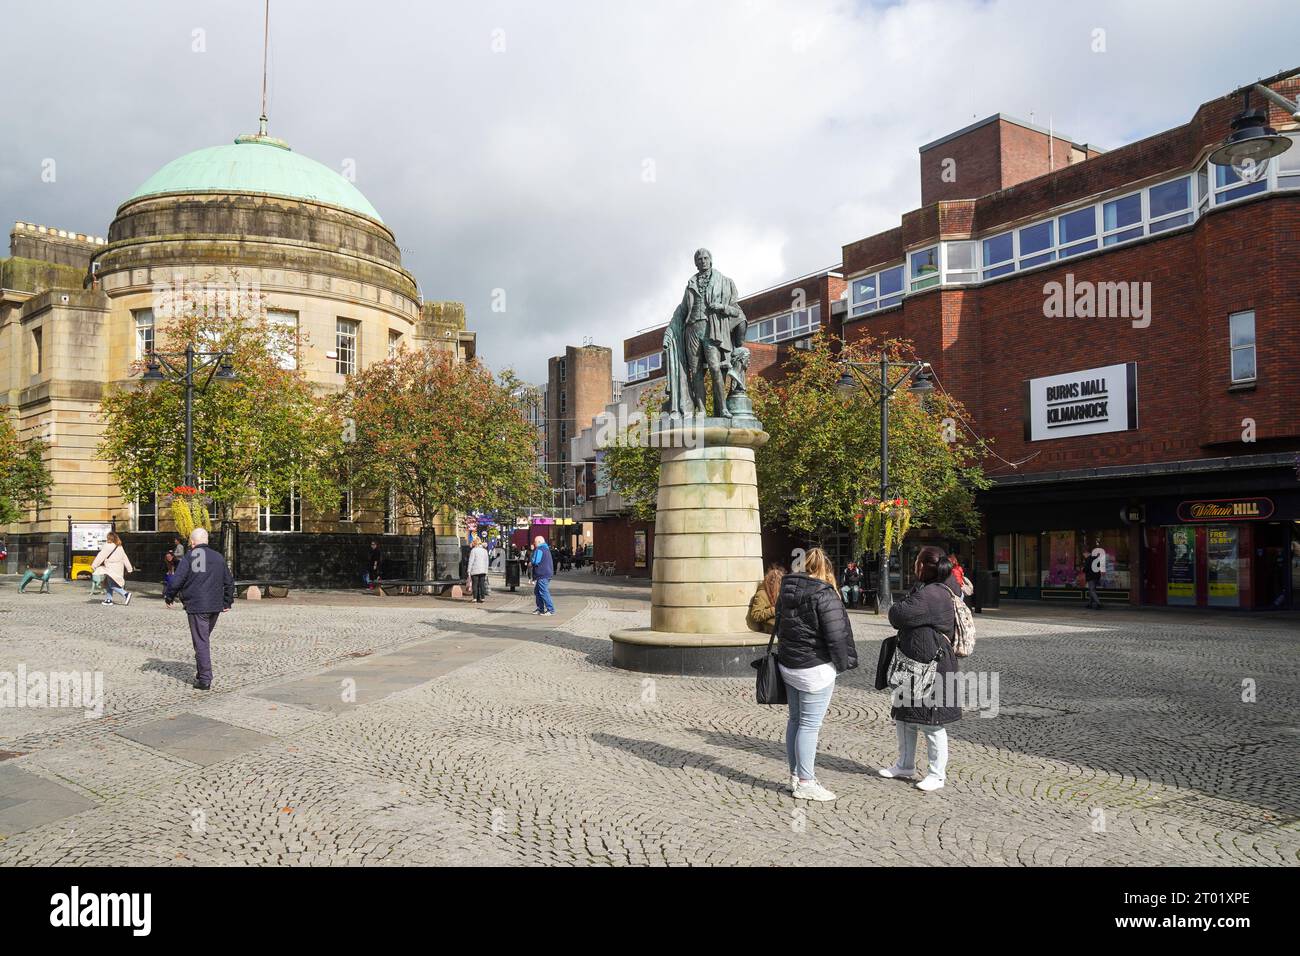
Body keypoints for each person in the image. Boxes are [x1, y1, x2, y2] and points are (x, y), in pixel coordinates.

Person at [774, 547, 857, 802]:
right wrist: (844, 664)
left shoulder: (785, 591)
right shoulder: (825, 595)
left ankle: (796, 776)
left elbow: (779, 626)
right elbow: (837, 636)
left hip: (789, 665)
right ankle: (806, 782)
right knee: (809, 725)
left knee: (796, 721)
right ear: (825, 568)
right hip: (815, 668)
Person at [881, 545, 962, 792]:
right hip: (913, 663)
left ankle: (937, 775)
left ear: (924, 566)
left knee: (931, 721)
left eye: (917, 562)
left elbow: (896, 615)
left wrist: (907, 599)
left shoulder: (932, 594)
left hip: (932, 666)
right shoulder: (930, 589)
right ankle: (905, 764)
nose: (914, 566)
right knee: (905, 717)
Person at [164, 527, 235, 691]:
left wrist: (169, 596)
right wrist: (227, 602)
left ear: (193, 542)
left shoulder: (193, 556)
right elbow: (229, 581)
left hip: (197, 606)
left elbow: (177, 580)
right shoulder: (218, 557)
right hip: (215, 606)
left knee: (201, 642)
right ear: (207, 541)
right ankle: (201, 672)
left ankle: (204, 679)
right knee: (202, 639)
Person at [91, 531, 134, 606]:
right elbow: (125, 558)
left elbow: (100, 556)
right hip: (119, 568)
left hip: (111, 568)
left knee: (112, 585)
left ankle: (126, 594)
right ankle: (109, 599)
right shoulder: (119, 546)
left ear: (109, 538)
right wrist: (129, 568)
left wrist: (94, 565)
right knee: (108, 583)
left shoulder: (108, 546)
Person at [746, 564, 785, 634]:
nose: (779, 584)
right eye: (778, 582)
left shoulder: (781, 592)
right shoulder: (762, 594)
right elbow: (755, 615)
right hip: (770, 625)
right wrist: (773, 610)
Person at [531, 535, 555, 615]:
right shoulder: (546, 549)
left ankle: (550, 610)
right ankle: (540, 608)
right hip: (547, 573)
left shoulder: (540, 549)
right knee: (537, 591)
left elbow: (536, 561)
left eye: (535, 542)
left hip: (542, 573)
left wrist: (531, 562)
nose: (534, 544)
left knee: (543, 591)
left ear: (539, 542)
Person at [467, 536, 489, 603]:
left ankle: (475, 598)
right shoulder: (485, 551)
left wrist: (469, 570)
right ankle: (482, 598)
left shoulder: (473, 551)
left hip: (475, 570)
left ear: (474, 543)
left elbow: (471, 561)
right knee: (482, 584)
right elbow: (486, 561)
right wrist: (486, 570)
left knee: (475, 584)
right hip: (483, 570)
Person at [1084, 542, 1103, 609]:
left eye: (1084, 553)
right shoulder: (1096, 559)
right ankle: (1090, 604)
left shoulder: (1088, 559)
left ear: (1088, 553)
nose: (1084, 555)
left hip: (1090, 577)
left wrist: (1083, 570)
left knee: (1092, 590)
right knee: (1092, 590)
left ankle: (1098, 604)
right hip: (1096, 577)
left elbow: (1086, 568)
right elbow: (1098, 567)